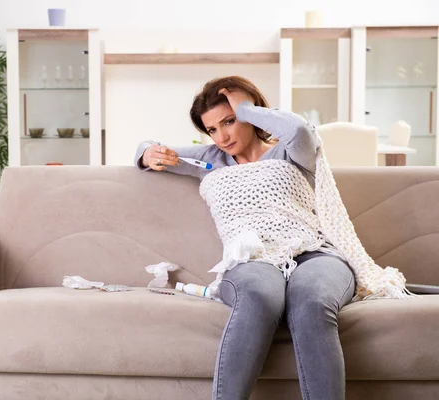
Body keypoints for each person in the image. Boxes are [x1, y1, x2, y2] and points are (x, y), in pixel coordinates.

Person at [134, 76, 356, 400]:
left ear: (250, 114)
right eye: (211, 129)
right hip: (252, 257)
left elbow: (301, 130)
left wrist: (249, 110)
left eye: (230, 120)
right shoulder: (209, 160)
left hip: (314, 252)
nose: (222, 136)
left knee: (311, 300)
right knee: (257, 295)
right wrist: (146, 155)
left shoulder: (291, 151)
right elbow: (147, 148)